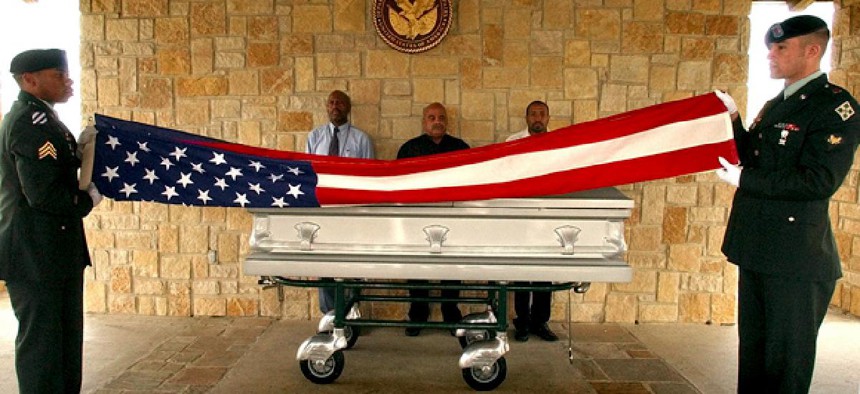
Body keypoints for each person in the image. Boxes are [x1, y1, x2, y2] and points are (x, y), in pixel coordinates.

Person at [715, 16, 859, 393]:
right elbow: (756, 155)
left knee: (785, 366)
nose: (770, 54)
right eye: (771, 47)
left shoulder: (834, 107)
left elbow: (818, 181)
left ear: (812, 51)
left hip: (795, 256)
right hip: (759, 246)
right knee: (755, 358)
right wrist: (732, 120)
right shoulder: (780, 102)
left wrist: (747, 180)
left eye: (781, 48)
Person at [0, 49, 102, 393]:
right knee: (43, 346)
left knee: (64, 342)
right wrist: (85, 200)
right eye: (58, 75)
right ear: (30, 80)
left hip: (53, 251)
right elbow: (42, 194)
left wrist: (80, 155)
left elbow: (53, 169)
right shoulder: (30, 123)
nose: (67, 81)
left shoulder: (44, 118)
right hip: (34, 252)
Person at [397, 102, 469, 336]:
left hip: (453, 218)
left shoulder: (461, 148)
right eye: (431, 117)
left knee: (452, 269)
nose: (437, 121)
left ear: (447, 121)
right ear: (424, 122)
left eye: (441, 117)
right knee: (417, 268)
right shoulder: (409, 149)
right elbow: (399, 185)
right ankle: (417, 314)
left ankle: (451, 313)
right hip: (417, 219)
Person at [306, 90, 374, 314]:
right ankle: (330, 316)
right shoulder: (314, 137)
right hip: (323, 210)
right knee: (324, 261)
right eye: (332, 103)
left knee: (351, 261)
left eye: (341, 103)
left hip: (351, 211)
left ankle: (352, 313)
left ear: (348, 108)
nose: (336, 106)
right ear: (326, 107)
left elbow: (369, 177)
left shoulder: (361, 139)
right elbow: (307, 175)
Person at [506, 100, 558, 342]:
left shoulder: (560, 143)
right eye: (533, 114)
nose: (538, 118)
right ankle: (522, 322)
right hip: (521, 215)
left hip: (549, 215)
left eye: (542, 114)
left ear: (548, 118)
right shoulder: (512, 142)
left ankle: (540, 322)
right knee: (523, 269)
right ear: (526, 118)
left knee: (544, 270)